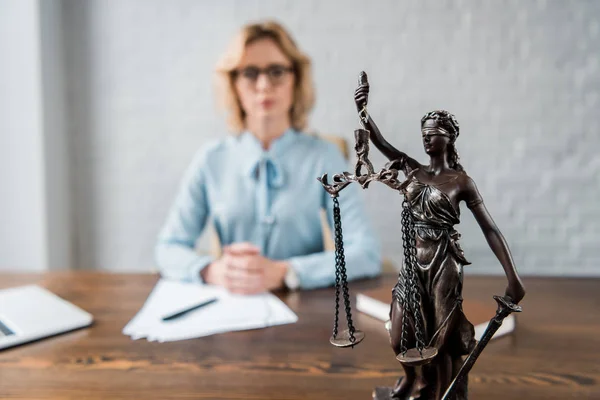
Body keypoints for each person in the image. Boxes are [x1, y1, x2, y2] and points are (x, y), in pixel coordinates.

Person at [154, 20, 381, 294]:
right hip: (231, 309)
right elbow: (168, 249)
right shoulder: (211, 160)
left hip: (303, 311)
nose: (264, 85)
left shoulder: (324, 156)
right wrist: (212, 270)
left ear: (294, 78)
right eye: (250, 73)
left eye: (276, 71)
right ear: (234, 83)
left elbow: (365, 253)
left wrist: (288, 272)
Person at [355, 84, 525, 399]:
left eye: (432, 132)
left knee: (440, 338)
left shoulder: (462, 182)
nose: (426, 137)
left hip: (444, 262)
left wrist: (512, 277)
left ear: (448, 137)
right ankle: (410, 378)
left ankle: (433, 388)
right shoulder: (412, 169)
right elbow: (380, 143)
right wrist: (364, 112)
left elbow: (490, 229)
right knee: (399, 333)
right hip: (412, 262)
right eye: (423, 133)